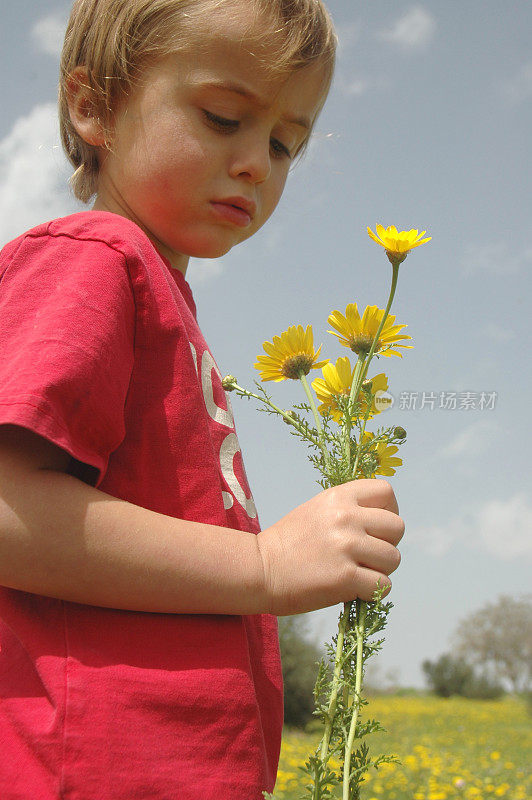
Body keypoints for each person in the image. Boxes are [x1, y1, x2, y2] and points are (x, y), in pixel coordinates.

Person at [0, 0, 404, 798]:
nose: (258, 161)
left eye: (286, 143)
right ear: (93, 107)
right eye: (224, 117)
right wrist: (261, 563)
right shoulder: (93, 261)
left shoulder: (159, 296)